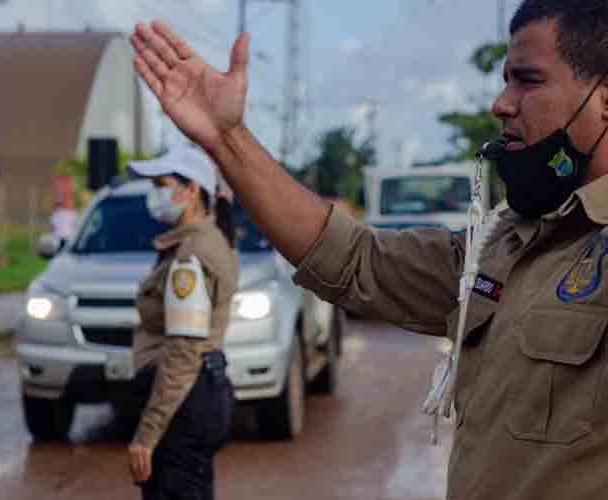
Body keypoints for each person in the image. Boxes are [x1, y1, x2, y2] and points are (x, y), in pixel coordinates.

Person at [131, 1, 608, 499]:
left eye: (528, 81)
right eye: (505, 80)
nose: (502, 103)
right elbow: (354, 257)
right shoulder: (506, 244)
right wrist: (227, 140)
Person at [126, 145, 238, 499]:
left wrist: (148, 433)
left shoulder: (191, 255)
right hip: (194, 396)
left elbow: (183, 351)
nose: (154, 194)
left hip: (183, 404)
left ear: (191, 191)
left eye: (161, 184)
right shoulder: (197, 243)